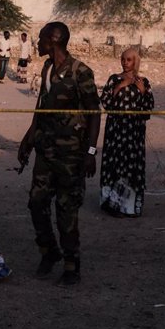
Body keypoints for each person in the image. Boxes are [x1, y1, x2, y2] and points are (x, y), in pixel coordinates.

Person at [17, 21, 100, 286]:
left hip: (71, 156)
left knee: (66, 210)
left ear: (53, 39)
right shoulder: (46, 67)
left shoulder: (80, 72)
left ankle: (71, 264)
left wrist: (90, 151)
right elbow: (40, 107)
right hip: (45, 151)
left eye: (40, 39)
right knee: (37, 203)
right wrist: (28, 139)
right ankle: (48, 252)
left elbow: (94, 113)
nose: (37, 43)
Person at [99, 48, 154, 217]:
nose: (125, 62)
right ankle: (112, 205)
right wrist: (119, 88)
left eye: (129, 59)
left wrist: (142, 90)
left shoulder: (143, 81)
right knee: (114, 165)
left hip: (134, 134)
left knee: (132, 166)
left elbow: (148, 108)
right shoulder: (114, 79)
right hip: (115, 132)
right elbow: (106, 103)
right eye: (123, 59)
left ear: (135, 61)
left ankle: (130, 207)